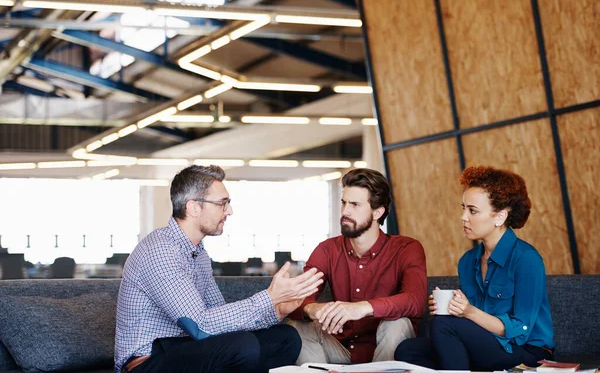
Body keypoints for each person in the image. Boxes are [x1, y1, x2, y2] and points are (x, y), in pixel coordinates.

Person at [114, 165, 324, 373]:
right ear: (193, 207)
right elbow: (201, 326)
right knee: (242, 346)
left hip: (186, 348)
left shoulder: (198, 253)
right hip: (147, 362)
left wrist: (277, 309)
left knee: (285, 338)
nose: (229, 211)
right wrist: (268, 297)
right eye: (222, 204)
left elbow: (221, 322)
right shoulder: (160, 251)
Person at [395, 166, 555, 370]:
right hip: (487, 345)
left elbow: (521, 330)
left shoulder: (527, 259)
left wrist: (468, 312)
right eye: (463, 208)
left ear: (500, 217)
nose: (463, 217)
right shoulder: (467, 261)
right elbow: (469, 324)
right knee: (408, 350)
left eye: (473, 211)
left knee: (442, 326)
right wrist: (452, 307)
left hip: (526, 351)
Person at [288, 168, 428, 364]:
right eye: (344, 202)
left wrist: (363, 308)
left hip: (384, 350)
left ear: (377, 212)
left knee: (397, 323)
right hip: (338, 350)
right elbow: (296, 301)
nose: (345, 211)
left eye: (355, 205)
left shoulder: (406, 248)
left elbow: (416, 300)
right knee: (298, 325)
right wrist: (313, 309)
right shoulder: (327, 250)